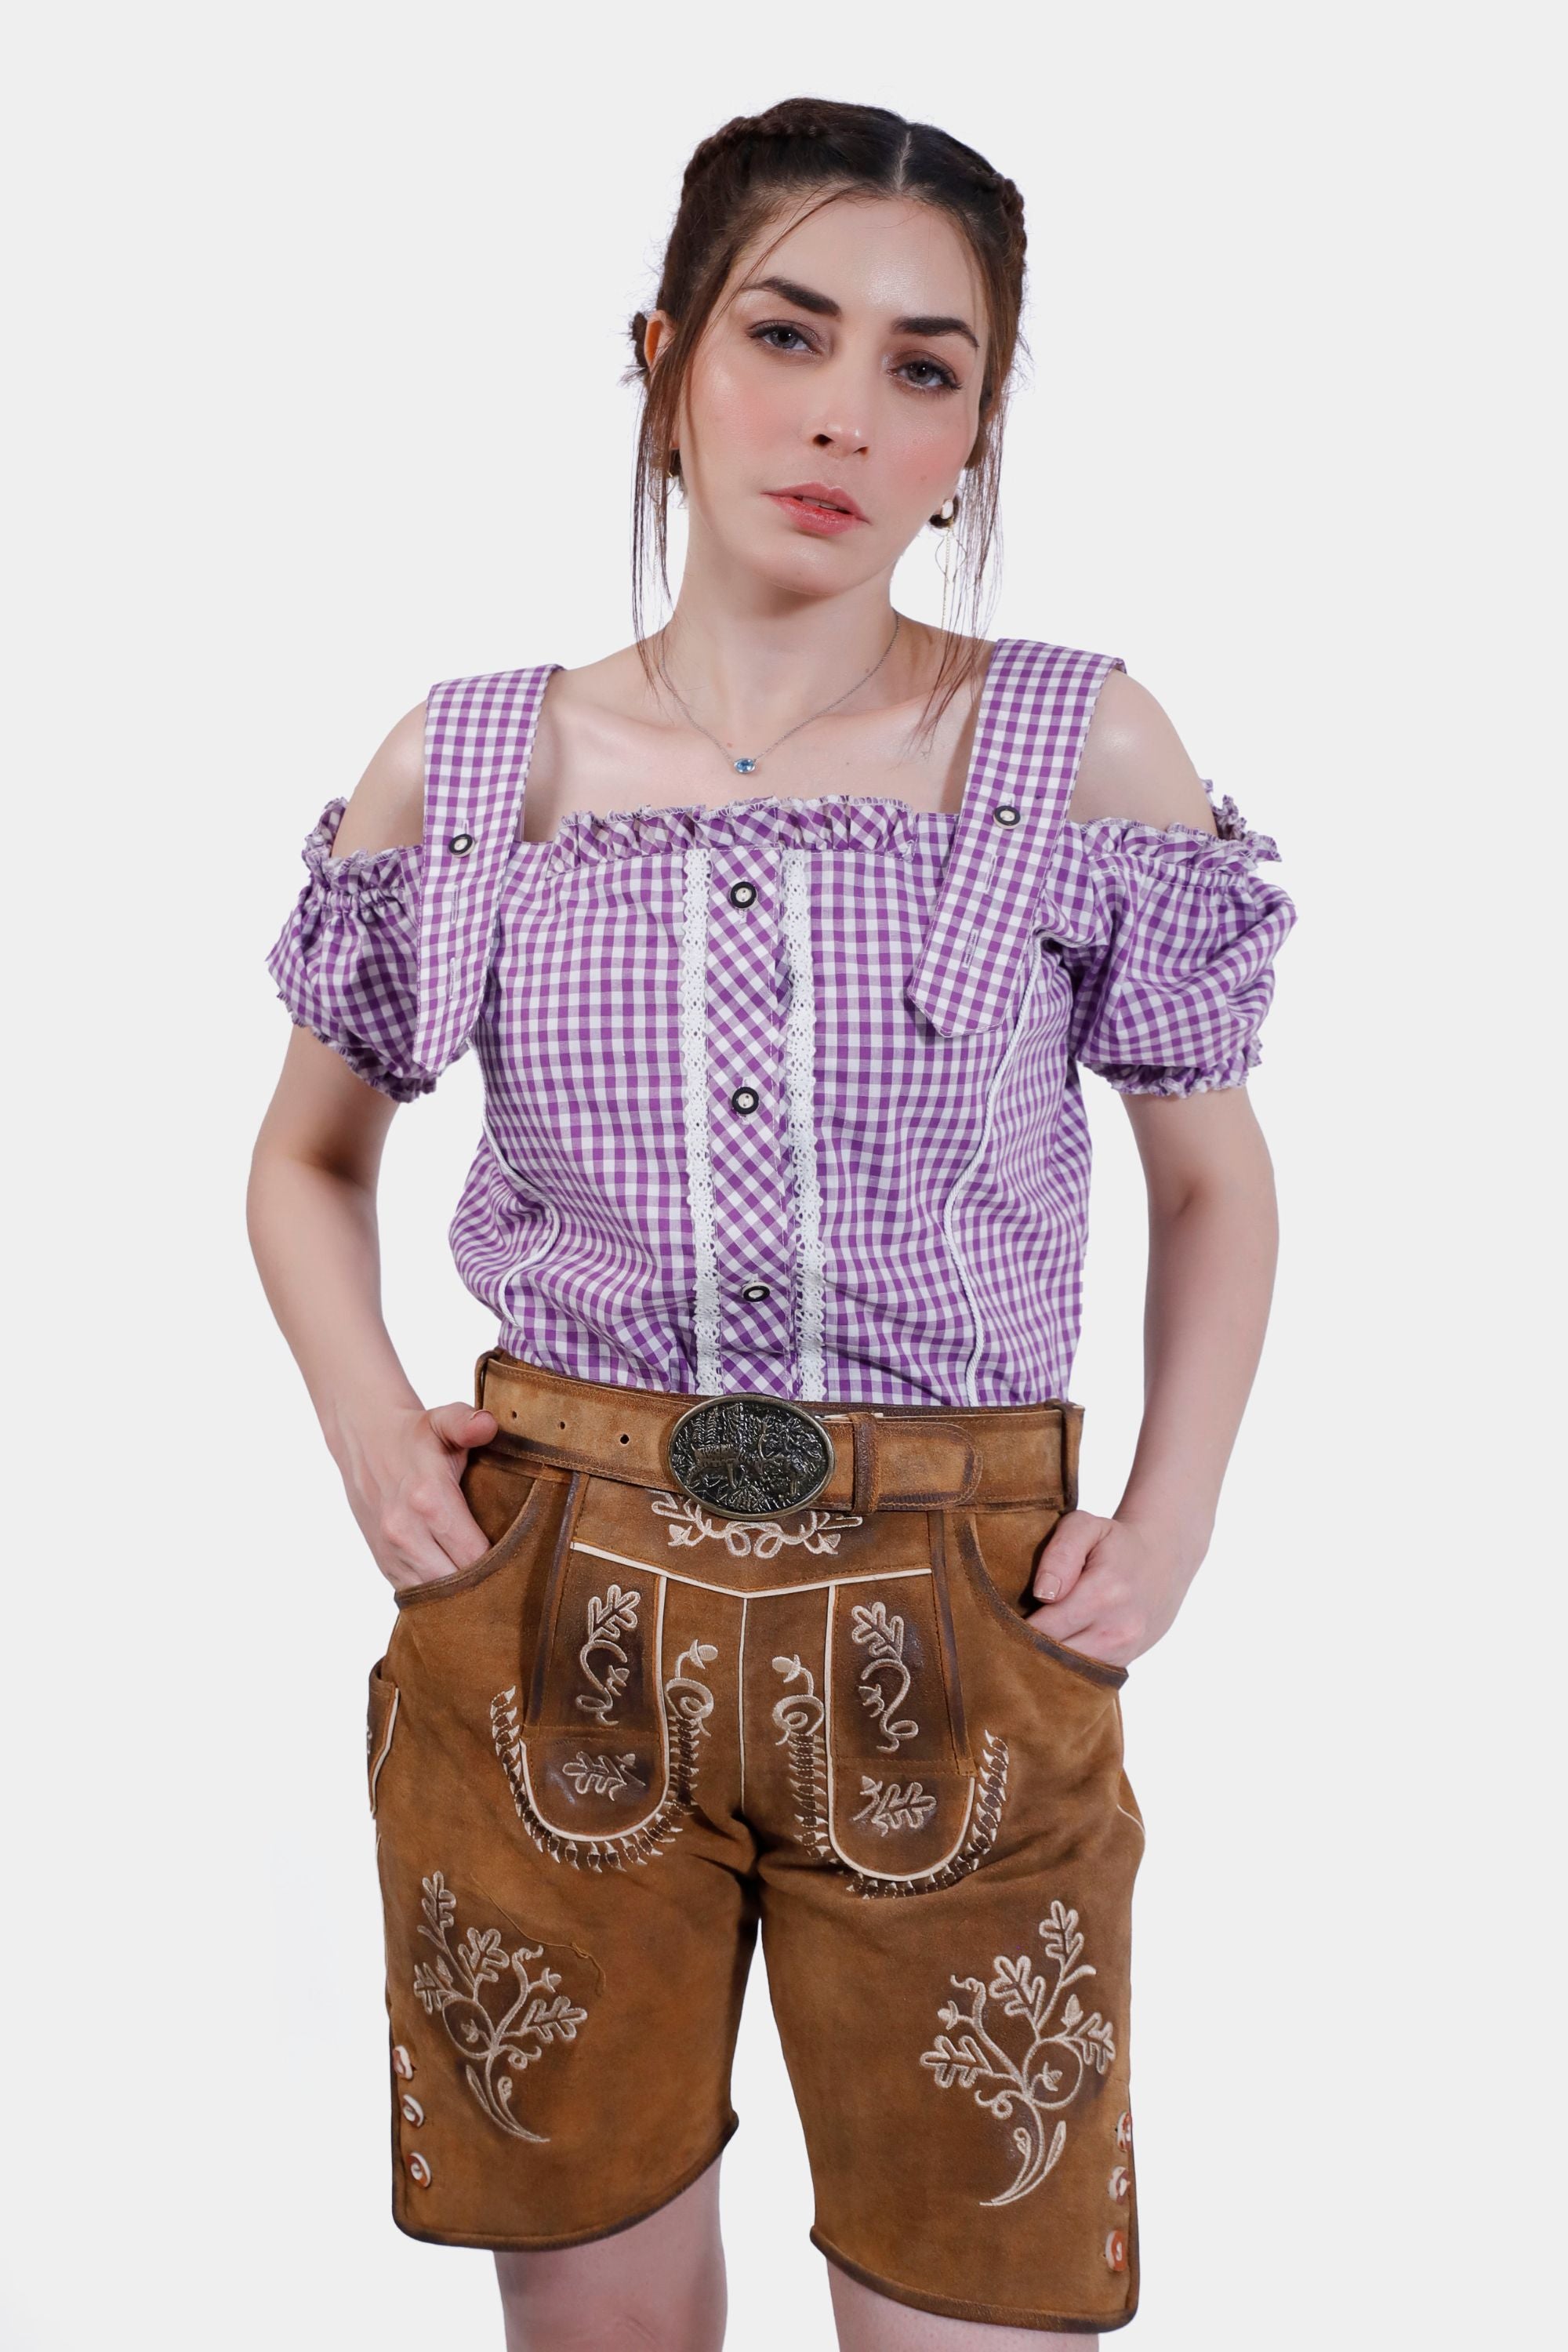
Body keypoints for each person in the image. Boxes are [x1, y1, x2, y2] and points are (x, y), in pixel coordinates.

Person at [249, 95, 1296, 2352]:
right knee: (600, 2321)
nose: (843, 417)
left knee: (978, 2302)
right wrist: (369, 1431)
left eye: (925, 367)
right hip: (554, 1609)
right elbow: (307, 1155)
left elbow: (1210, 1173)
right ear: (666, 356)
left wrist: (1173, 1519)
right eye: (785, 333)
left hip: (966, 1617)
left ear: (975, 435)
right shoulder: (479, 767)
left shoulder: (1079, 752)